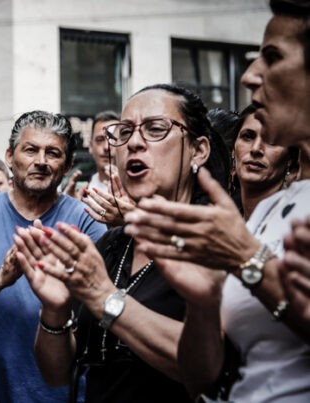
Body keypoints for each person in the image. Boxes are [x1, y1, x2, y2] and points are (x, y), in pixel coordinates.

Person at [123, 1, 310, 400]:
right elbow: (202, 378)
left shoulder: (242, 232)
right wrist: (204, 305)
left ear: (200, 150)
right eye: (125, 132)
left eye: (273, 57)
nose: (250, 75)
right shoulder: (273, 208)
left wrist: (247, 258)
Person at [13, 84, 228, 402]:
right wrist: (54, 311)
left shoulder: (219, 242)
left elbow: (207, 372)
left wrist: (105, 298)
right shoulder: (113, 244)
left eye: (155, 129)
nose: (134, 142)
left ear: (198, 150)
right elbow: (56, 374)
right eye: (124, 132)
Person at [0, 110, 106, 402]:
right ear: (9, 156)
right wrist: (0, 279)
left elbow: (102, 305)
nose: (40, 161)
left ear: (67, 165)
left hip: (62, 395)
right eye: (30, 150)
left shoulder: (87, 220)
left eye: (52, 153)